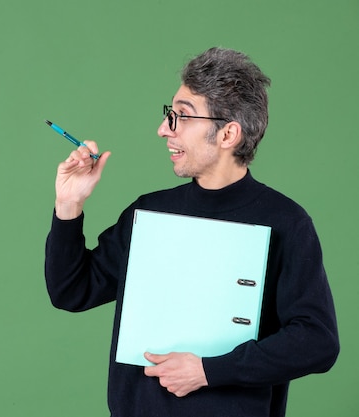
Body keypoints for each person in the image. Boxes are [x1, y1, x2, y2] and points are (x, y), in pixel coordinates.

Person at [44, 47, 339, 417]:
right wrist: (68, 205)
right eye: (169, 115)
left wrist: (207, 371)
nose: (164, 129)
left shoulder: (286, 222)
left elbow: (317, 342)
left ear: (228, 133)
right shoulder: (148, 211)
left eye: (181, 116)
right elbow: (71, 291)